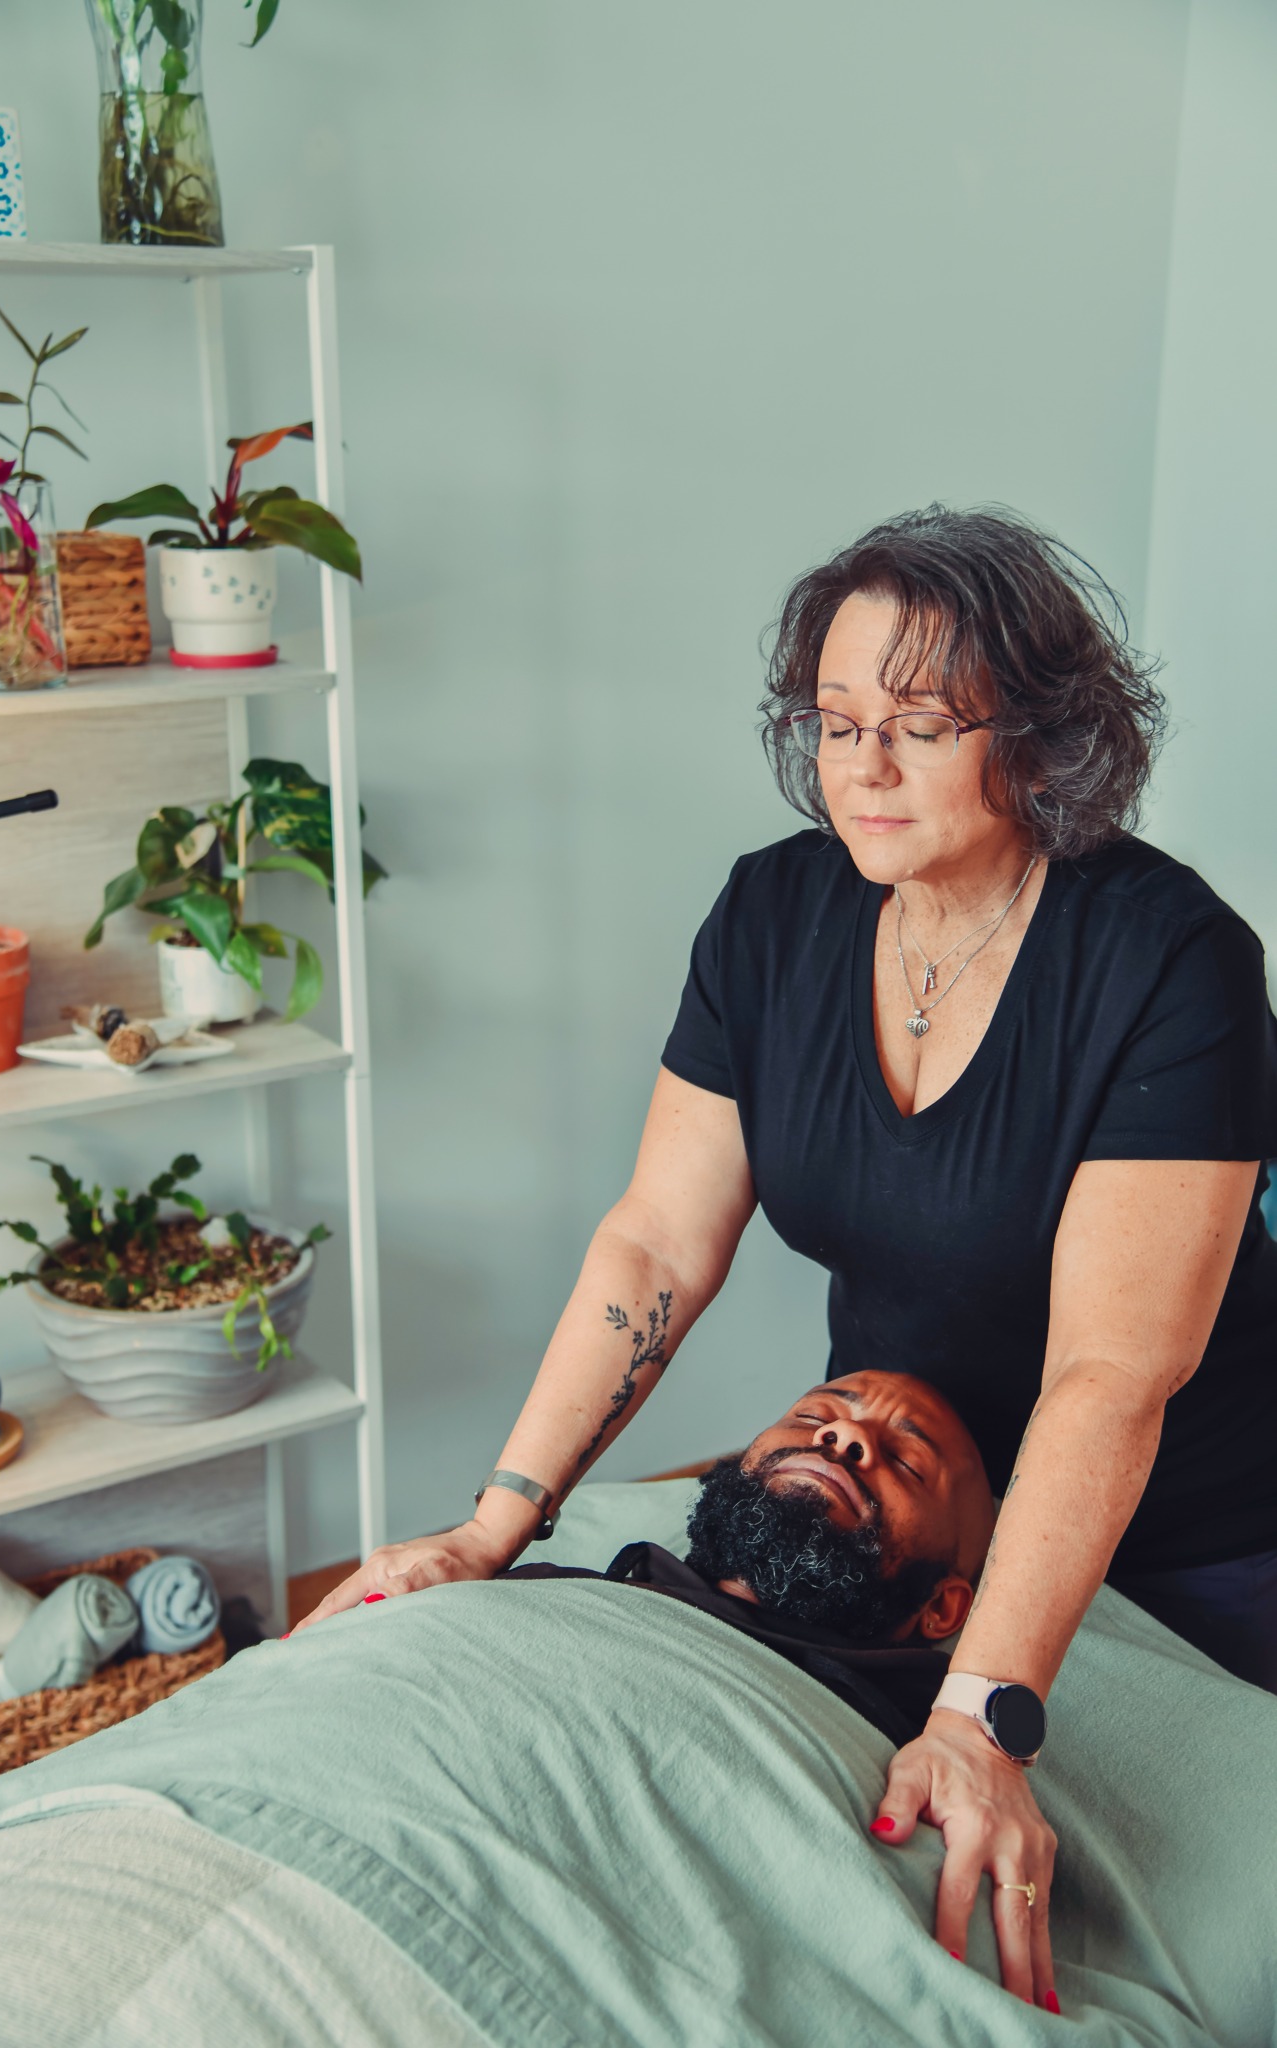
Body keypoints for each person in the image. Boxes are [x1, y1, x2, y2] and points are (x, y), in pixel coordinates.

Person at [301, 505, 1277, 2009]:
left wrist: (987, 1714)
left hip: (1188, 1534)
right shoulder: (775, 912)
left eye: (920, 727)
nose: (863, 768)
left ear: (1038, 738)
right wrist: (493, 1526)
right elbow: (656, 1242)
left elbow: (1109, 1373)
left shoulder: (1166, 958)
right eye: (834, 722)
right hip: (904, 1521)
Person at [506, 1369, 996, 1749]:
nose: (843, 1432)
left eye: (909, 1463)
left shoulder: (914, 1771)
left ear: (941, 1608)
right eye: (812, 1417)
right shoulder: (538, 1594)